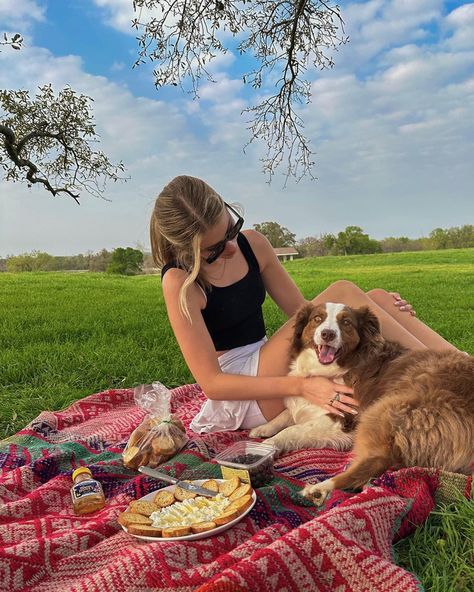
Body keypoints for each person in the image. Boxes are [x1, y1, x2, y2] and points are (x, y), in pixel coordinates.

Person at [150, 175, 459, 434]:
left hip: (266, 357)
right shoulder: (180, 281)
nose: (231, 247)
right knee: (345, 292)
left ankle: (460, 366)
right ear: (186, 248)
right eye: (214, 250)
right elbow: (214, 385)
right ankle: (454, 378)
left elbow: (308, 316)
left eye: (231, 230)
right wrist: (301, 387)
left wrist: (374, 304)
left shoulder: (254, 244)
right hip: (242, 388)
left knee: (375, 301)